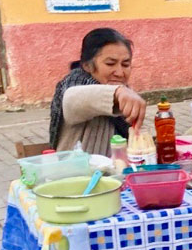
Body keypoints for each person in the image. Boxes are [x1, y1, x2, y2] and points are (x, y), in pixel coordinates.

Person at [49, 28, 147, 156]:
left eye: (125, 64)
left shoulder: (125, 94)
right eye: (110, 64)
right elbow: (71, 100)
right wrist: (117, 92)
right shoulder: (74, 83)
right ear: (87, 66)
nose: (119, 73)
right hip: (77, 168)